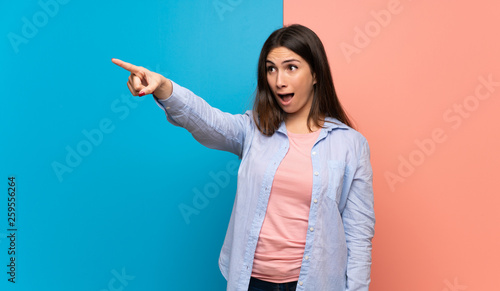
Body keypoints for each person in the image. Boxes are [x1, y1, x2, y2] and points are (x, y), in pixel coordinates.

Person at [112, 24, 375, 291]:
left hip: (315, 283)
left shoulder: (350, 145)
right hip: (252, 282)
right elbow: (207, 121)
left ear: (316, 73)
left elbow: (358, 234)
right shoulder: (253, 129)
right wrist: (164, 88)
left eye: (291, 67)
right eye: (271, 69)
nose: (279, 80)